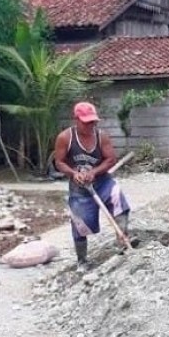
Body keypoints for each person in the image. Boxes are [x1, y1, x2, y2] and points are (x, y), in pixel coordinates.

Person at [53, 101, 132, 270]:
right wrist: (74, 174)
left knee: (118, 198)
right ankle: (82, 260)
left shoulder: (101, 136)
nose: (90, 125)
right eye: (86, 122)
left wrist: (94, 172)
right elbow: (59, 162)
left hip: (102, 182)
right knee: (80, 222)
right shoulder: (65, 138)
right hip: (79, 189)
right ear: (76, 120)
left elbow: (110, 159)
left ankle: (123, 241)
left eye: (93, 122)